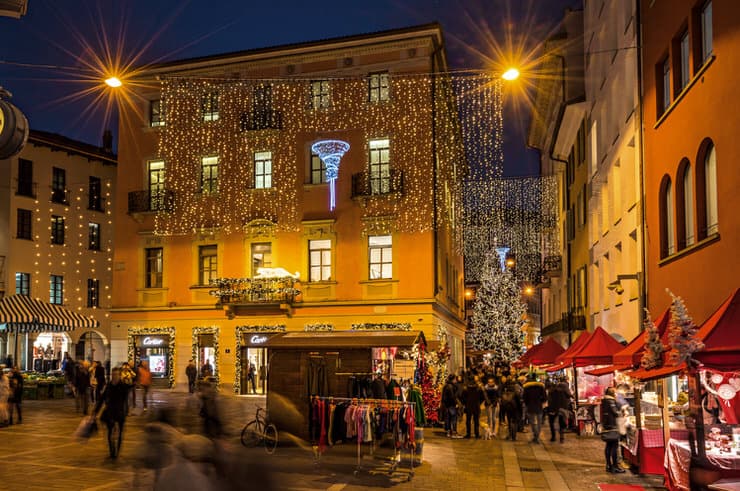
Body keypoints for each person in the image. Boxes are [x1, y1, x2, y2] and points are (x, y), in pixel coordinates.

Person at [94, 367, 130, 458]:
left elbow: (126, 400)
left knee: (120, 433)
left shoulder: (123, 386)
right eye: (113, 374)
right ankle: (112, 451)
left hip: (121, 412)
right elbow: (102, 399)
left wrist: (126, 411)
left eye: (116, 374)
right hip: (110, 412)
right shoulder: (109, 386)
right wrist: (95, 411)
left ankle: (117, 451)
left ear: (119, 375)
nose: (114, 376)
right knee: (110, 432)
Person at [601, 386, 625, 474]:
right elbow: (615, 413)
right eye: (615, 393)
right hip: (612, 426)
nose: (616, 394)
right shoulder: (610, 401)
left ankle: (608, 465)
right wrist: (622, 411)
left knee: (608, 446)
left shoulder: (604, 401)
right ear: (612, 394)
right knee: (614, 446)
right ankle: (615, 466)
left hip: (607, 426)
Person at [522, 374, 547, 444]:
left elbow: (524, 398)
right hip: (539, 406)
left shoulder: (526, 387)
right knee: (539, 422)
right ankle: (537, 437)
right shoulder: (541, 386)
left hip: (530, 406)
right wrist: (540, 401)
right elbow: (545, 397)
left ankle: (536, 436)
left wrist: (527, 404)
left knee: (533, 423)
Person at [547, 378, 573, 443]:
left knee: (551, 422)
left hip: (553, 409)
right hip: (562, 409)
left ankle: (553, 437)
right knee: (561, 423)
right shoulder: (565, 391)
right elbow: (568, 397)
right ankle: (561, 437)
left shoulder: (552, 391)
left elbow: (549, 400)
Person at [500, 376, 522, 441]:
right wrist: (520, 410)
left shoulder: (505, 391)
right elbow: (519, 403)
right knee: (514, 422)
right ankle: (514, 436)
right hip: (515, 409)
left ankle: (509, 434)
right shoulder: (516, 392)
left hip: (508, 409)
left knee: (509, 422)